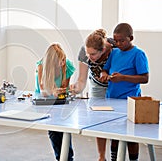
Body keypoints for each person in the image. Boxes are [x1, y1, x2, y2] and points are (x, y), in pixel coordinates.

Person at [100, 23, 149, 161]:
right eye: (116, 41)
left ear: (131, 38)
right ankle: (114, 158)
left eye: (122, 40)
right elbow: (105, 69)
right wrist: (104, 74)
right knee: (114, 134)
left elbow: (145, 78)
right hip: (112, 100)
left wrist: (123, 78)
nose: (118, 43)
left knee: (131, 136)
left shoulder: (138, 54)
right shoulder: (114, 52)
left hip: (130, 101)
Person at [69, 29, 115, 161]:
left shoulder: (114, 48)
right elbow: (82, 80)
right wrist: (76, 89)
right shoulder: (84, 52)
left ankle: (115, 155)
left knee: (116, 122)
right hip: (96, 86)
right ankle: (101, 157)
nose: (90, 57)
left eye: (93, 54)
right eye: (88, 54)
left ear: (103, 50)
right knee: (99, 120)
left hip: (115, 86)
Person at [35, 43, 75, 161]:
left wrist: (69, 90)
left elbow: (65, 88)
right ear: (51, 62)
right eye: (60, 60)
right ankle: (60, 157)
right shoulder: (42, 66)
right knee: (54, 131)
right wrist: (53, 91)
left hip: (61, 103)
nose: (63, 62)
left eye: (63, 59)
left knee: (64, 130)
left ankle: (68, 157)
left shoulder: (67, 65)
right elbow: (43, 91)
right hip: (46, 102)